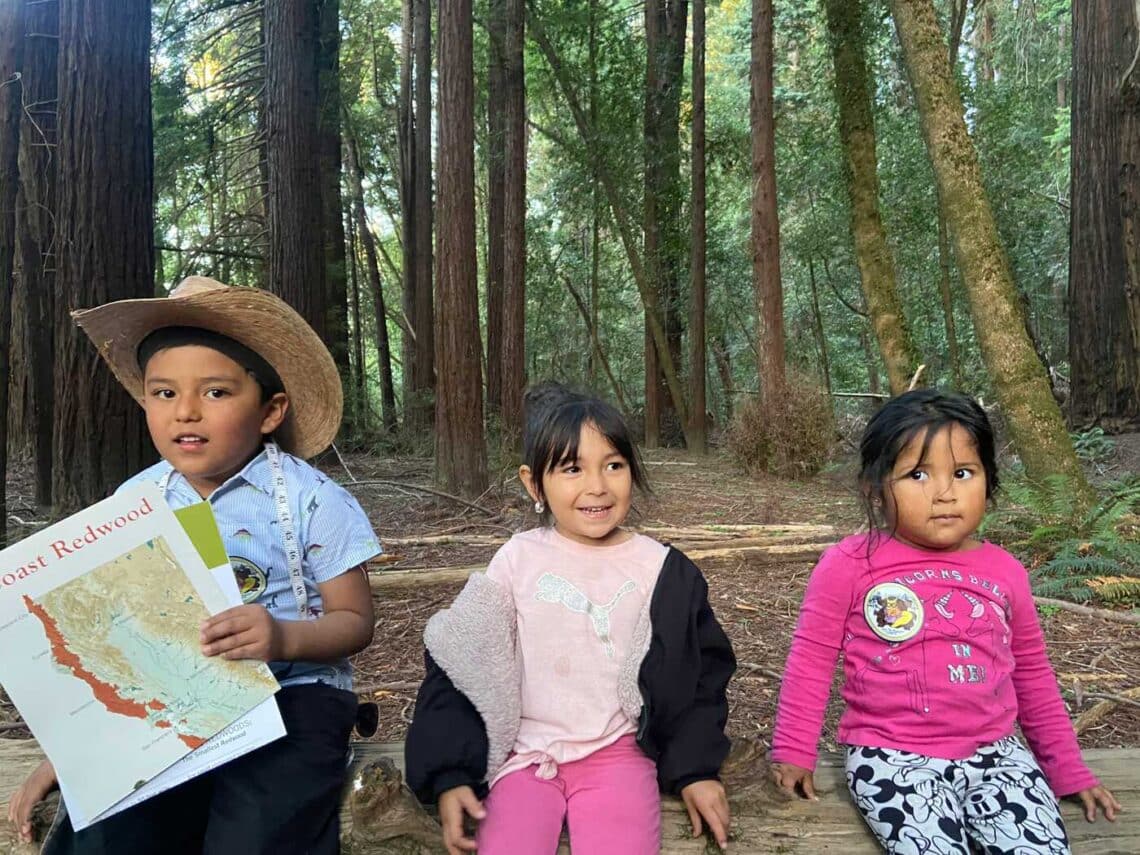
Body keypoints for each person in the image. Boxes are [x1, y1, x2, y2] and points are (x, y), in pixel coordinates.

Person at [6, 276, 382, 855]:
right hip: (170, 695)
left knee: (258, 830)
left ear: (270, 410)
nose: (185, 412)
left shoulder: (312, 500)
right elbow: (107, 632)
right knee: (110, 829)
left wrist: (283, 636)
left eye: (215, 393)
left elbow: (355, 619)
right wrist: (77, 753)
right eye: (163, 393)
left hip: (295, 696)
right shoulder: (134, 503)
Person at [770, 389, 1121, 854]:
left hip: (999, 755)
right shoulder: (849, 564)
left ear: (989, 480)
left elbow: (1033, 675)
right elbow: (810, 661)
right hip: (892, 757)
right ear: (874, 489)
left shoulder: (1004, 570)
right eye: (917, 474)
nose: (944, 493)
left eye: (963, 472)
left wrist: (1067, 768)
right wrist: (794, 750)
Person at [405, 384, 736, 855]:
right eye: (572, 468)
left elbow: (696, 676)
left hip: (617, 755)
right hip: (524, 756)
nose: (597, 486)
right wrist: (449, 774)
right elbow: (464, 660)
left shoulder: (661, 570)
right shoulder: (516, 560)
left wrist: (695, 768)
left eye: (613, 465)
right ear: (533, 483)